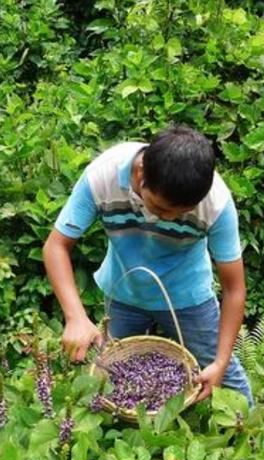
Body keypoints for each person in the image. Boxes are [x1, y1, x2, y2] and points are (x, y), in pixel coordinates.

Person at [42, 125, 253, 406]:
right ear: (141, 174)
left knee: (227, 379)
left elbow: (234, 288)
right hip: (125, 292)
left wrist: (221, 363)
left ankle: (249, 440)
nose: (168, 218)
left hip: (188, 296)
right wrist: (76, 317)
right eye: (162, 208)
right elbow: (56, 246)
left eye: (182, 213)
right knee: (111, 379)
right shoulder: (102, 176)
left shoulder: (215, 202)